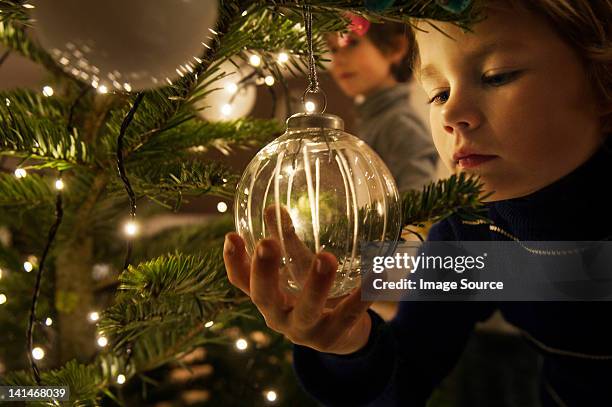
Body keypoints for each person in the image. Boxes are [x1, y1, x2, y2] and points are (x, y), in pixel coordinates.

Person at [223, 0, 612, 406]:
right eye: (438, 93)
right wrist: (349, 343)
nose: (452, 113)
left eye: (497, 77)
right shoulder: (473, 238)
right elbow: (407, 372)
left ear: (602, 77)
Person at [325, 14, 438, 193]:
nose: (338, 60)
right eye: (333, 49)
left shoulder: (400, 123)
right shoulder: (371, 117)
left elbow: (419, 201)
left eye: (351, 43)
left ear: (395, 48)